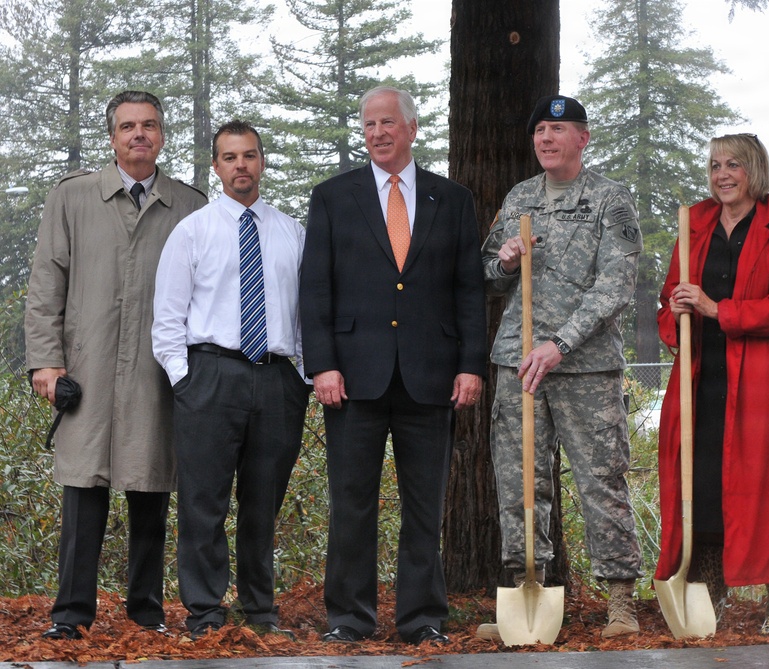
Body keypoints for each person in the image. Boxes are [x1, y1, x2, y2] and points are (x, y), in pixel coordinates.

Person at [299, 85, 487, 646]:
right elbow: (315, 289)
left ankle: (422, 618)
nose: (377, 133)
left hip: (431, 377)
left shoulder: (451, 200)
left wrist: (470, 365)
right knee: (352, 503)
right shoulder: (333, 197)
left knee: (424, 508)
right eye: (368, 126)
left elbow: (468, 291)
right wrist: (322, 365)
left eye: (387, 123)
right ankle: (349, 619)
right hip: (352, 378)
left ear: (410, 128)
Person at [24, 90, 207, 640]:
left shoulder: (190, 205)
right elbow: (45, 285)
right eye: (127, 126)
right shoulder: (73, 197)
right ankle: (70, 615)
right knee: (82, 492)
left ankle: (146, 614)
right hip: (88, 368)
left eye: (149, 125)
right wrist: (45, 364)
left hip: (158, 372)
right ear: (112, 136)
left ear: (162, 134)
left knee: (150, 488)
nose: (139, 135)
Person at [478, 95, 643, 640]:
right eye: (540, 130)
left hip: (585, 367)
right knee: (519, 483)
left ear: (583, 138)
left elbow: (615, 286)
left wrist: (561, 343)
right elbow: (489, 270)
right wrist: (503, 261)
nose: (546, 138)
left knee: (601, 479)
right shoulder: (521, 196)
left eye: (559, 128)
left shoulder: (610, 200)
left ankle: (620, 600)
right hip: (517, 362)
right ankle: (528, 590)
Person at [151, 120, 309, 640]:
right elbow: (168, 317)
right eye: (230, 157)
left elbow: (307, 314)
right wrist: (185, 380)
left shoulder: (292, 233)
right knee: (204, 500)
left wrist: (302, 377)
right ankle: (205, 613)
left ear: (262, 162)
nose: (241, 165)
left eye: (250, 155)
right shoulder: (192, 231)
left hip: (277, 381)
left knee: (263, 500)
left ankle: (260, 610)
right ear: (216, 167)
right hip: (210, 376)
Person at [654, 134, 769, 635]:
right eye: (716, 165)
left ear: (754, 171)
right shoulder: (693, 227)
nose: (722, 174)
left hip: (762, 380)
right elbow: (669, 302)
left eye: (734, 165)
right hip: (703, 378)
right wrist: (676, 311)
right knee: (701, 484)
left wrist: (715, 309)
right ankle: (709, 600)